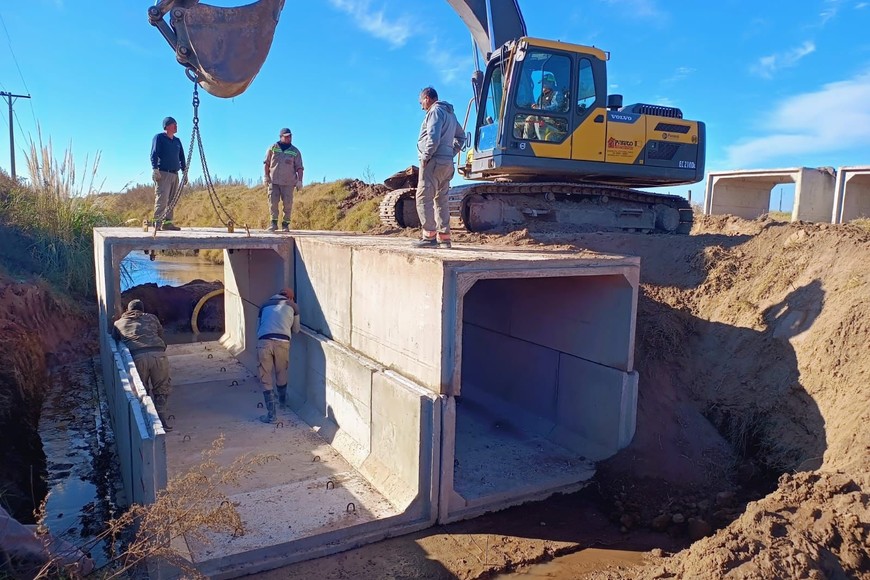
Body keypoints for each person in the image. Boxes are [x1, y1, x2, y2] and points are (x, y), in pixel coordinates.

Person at [414, 86, 465, 249]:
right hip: (447, 163)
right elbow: (461, 137)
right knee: (441, 200)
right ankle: (444, 238)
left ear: (427, 98)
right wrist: (451, 153)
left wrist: (425, 156)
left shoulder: (435, 111)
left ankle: (429, 236)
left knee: (423, 198)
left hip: (434, 161)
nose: (421, 106)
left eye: (421, 102)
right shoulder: (450, 114)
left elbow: (433, 138)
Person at [112, 299, 173, 430]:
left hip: (137, 356)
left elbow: (115, 340)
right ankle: (162, 420)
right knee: (162, 387)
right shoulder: (152, 318)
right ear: (142, 309)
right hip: (158, 354)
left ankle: (148, 422)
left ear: (128, 310)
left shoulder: (118, 323)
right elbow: (161, 335)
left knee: (141, 390)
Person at [255, 288, 301, 423]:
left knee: (265, 376)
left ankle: (271, 415)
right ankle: (282, 404)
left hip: (264, 342)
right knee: (281, 373)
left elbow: (258, 328)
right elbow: (296, 330)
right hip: (282, 343)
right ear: (290, 298)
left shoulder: (264, 305)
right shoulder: (293, 306)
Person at [264, 128, 304, 232]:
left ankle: (285, 224)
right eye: (286, 136)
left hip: (288, 183)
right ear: (281, 137)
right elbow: (267, 163)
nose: (288, 138)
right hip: (274, 181)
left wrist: (300, 181)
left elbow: (299, 167)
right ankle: (273, 223)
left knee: (288, 204)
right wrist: (266, 176)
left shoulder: (295, 151)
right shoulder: (273, 148)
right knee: (273, 202)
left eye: (290, 136)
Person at [150, 116, 186, 231]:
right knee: (162, 199)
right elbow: (154, 153)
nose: (176, 126)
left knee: (172, 200)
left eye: (176, 124)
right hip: (163, 173)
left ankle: (168, 223)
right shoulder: (159, 138)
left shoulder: (177, 141)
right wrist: (155, 169)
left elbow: (182, 157)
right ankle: (157, 224)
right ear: (167, 126)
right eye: (174, 124)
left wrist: (184, 171)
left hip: (175, 174)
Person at [523, 73, 567, 141]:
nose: (543, 85)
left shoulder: (556, 94)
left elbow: (556, 107)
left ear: (551, 83)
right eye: (542, 83)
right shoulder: (541, 97)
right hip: (541, 118)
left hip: (552, 121)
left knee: (531, 119)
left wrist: (540, 109)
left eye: (545, 83)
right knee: (518, 124)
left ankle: (526, 142)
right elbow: (537, 108)